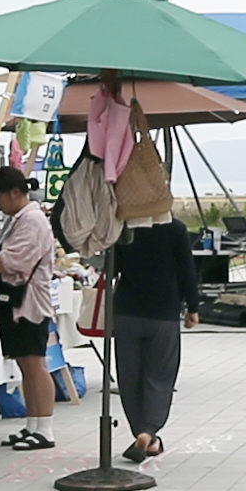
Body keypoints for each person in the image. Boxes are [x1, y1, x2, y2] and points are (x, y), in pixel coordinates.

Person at [100, 176, 201, 462]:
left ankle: (143, 434)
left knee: (130, 377)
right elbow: (187, 271)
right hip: (163, 313)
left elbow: (113, 269)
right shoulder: (177, 229)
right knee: (160, 375)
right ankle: (149, 432)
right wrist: (192, 307)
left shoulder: (125, 228)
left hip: (127, 311)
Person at [0, 165, 63, 453]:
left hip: (29, 303)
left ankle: (45, 428)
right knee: (25, 365)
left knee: (35, 364)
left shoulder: (33, 221)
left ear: (15, 192)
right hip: (16, 302)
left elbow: (13, 261)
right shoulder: (17, 218)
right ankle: (33, 423)